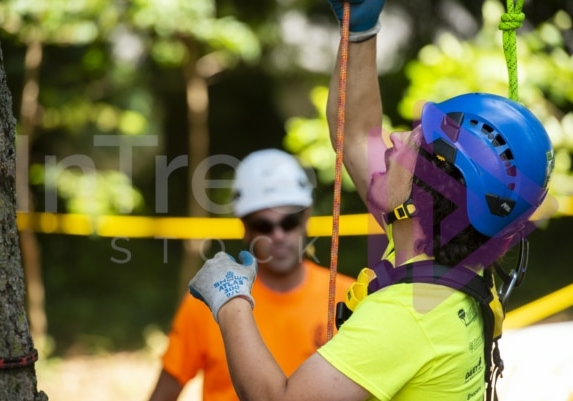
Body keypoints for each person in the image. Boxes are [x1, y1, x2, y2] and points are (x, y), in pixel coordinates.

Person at [187, 1, 555, 400]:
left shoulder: (409, 316)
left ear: (431, 192)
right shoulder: (444, 254)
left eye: (413, 142)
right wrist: (360, 30)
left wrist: (231, 301)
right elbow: (358, 132)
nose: (394, 139)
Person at [147, 149, 355, 401]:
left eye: (288, 222)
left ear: (306, 218)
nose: (278, 235)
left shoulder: (349, 298)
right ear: (245, 228)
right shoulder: (210, 300)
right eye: (264, 225)